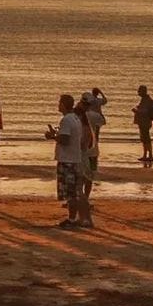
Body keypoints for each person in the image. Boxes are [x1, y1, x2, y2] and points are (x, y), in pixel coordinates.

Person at [52, 94, 95, 229]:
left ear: (64, 105)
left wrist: (52, 136)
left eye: (60, 103)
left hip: (68, 160)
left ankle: (72, 219)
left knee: (71, 193)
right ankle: (82, 218)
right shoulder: (76, 118)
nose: (58, 105)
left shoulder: (67, 120)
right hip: (74, 158)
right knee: (76, 191)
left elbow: (65, 139)